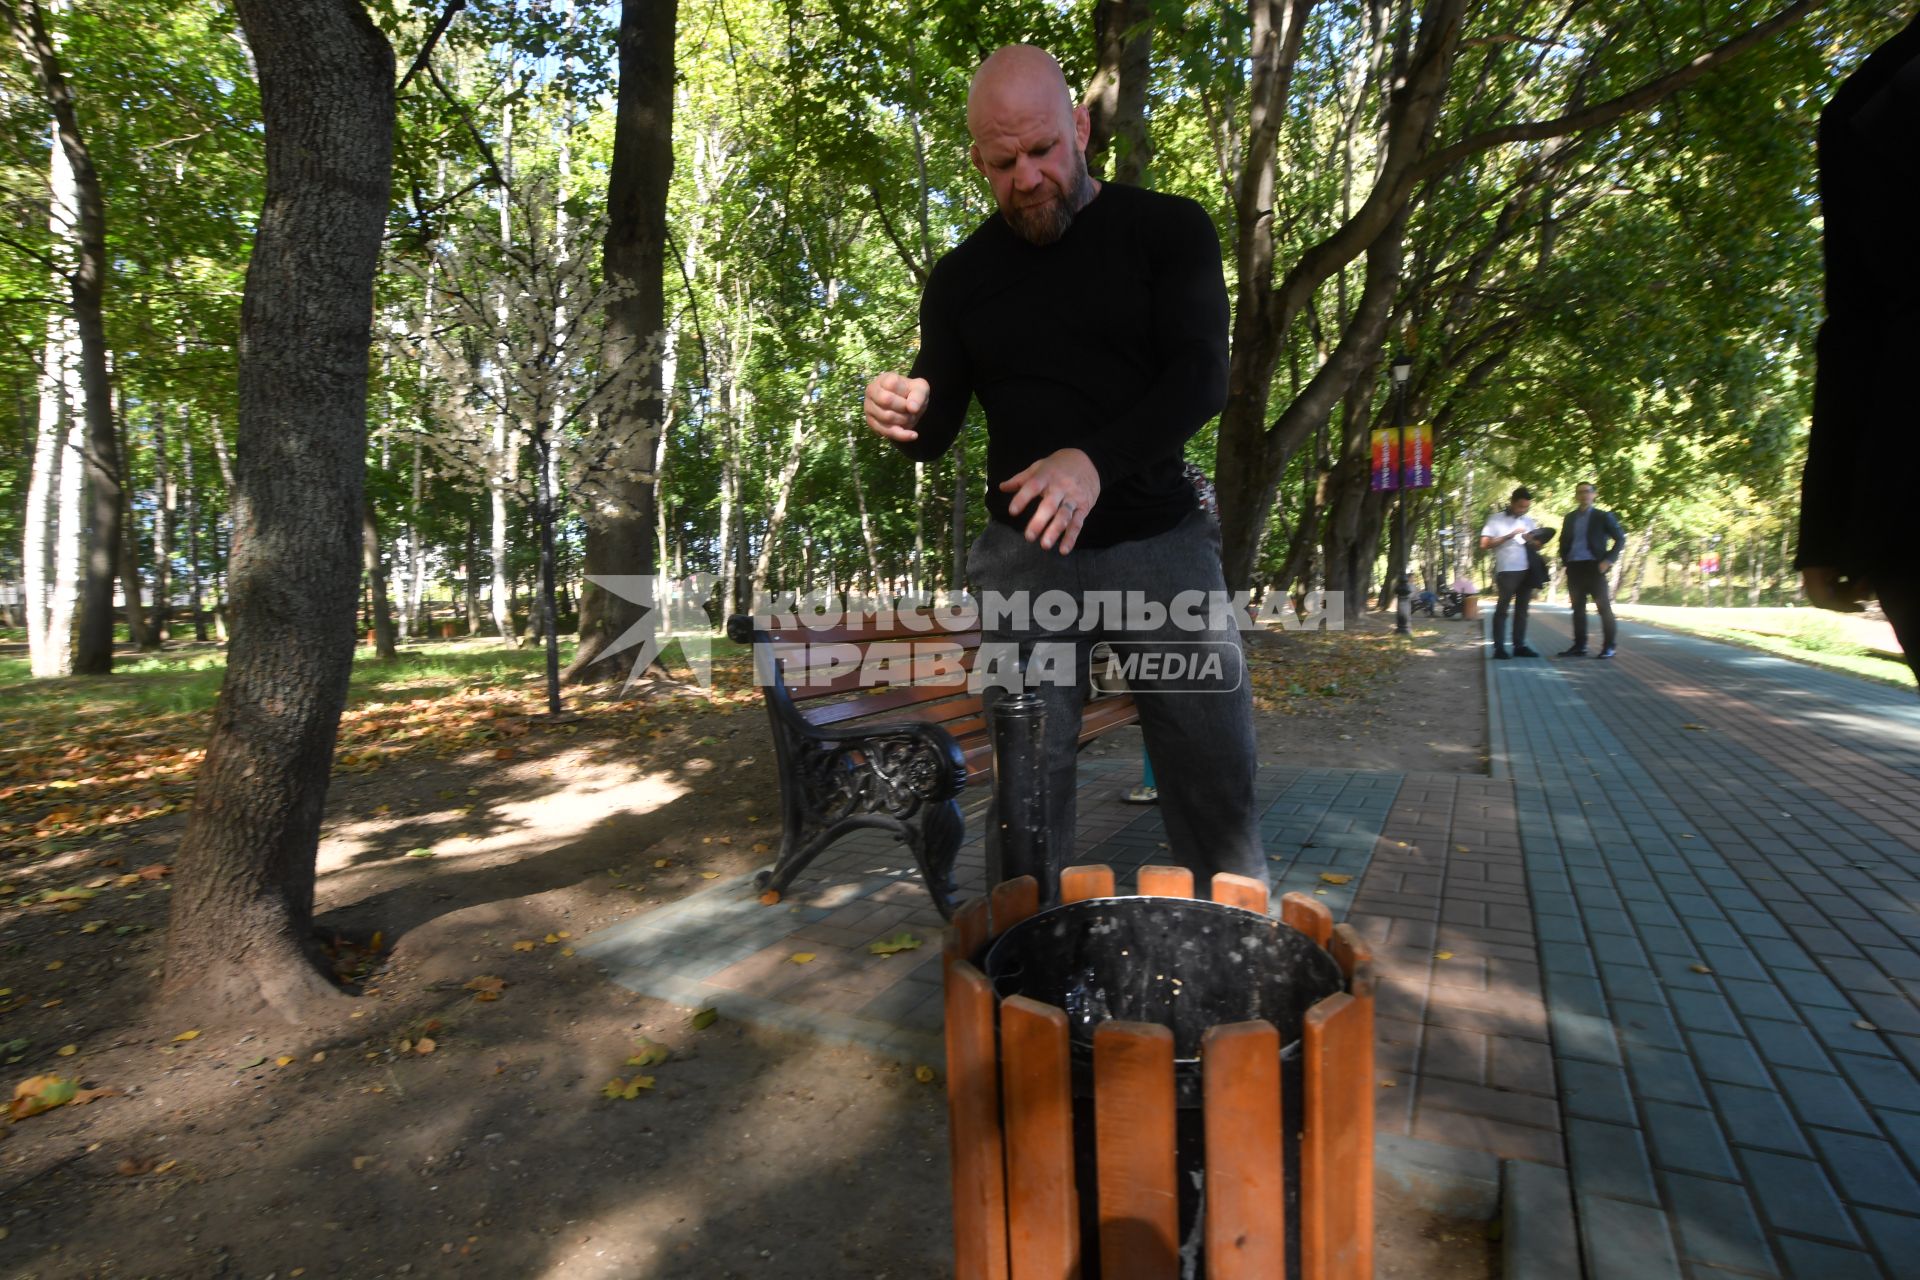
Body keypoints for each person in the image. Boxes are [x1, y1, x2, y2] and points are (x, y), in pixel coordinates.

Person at [862, 44, 1264, 885]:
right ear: (979, 160)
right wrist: (901, 415)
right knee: (1028, 804)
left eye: (1043, 150)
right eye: (1004, 162)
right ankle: (1027, 986)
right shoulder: (963, 278)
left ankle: (1236, 960)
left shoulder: (1168, 230)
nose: (1028, 177)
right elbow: (936, 428)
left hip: (1162, 545)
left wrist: (1092, 461)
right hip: (1025, 567)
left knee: (1213, 780)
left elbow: (1202, 376)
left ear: (1079, 129)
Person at [1797, 13, 1920, 690]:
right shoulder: (1873, 102)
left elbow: (1853, 325)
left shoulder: (1869, 101)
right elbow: (1856, 323)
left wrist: (1826, 533)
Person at [1558, 483, 1627, 659]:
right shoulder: (1570, 518)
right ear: (1576, 496)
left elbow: (1620, 539)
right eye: (1580, 492)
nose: (1583, 495)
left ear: (1594, 495)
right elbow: (1563, 541)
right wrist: (1565, 560)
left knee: (1603, 608)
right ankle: (1579, 646)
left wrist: (1608, 560)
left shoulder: (1603, 516)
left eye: (1587, 492)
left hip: (1594, 567)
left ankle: (1609, 647)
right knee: (1578, 609)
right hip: (1574, 568)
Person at [1479, 487, 1544, 658]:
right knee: (1502, 609)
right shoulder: (1495, 519)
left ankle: (1519, 646)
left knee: (1522, 610)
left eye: (1526, 507)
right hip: (1507, 571)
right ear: (1512, 502)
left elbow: (1537, 546)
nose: (1523, 510)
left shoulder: (1529, 521)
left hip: (1527, 570)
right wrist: (1509, 535)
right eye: (1520, 506)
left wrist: (1533, 541)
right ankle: (1499, 648)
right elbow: (1484, 544)